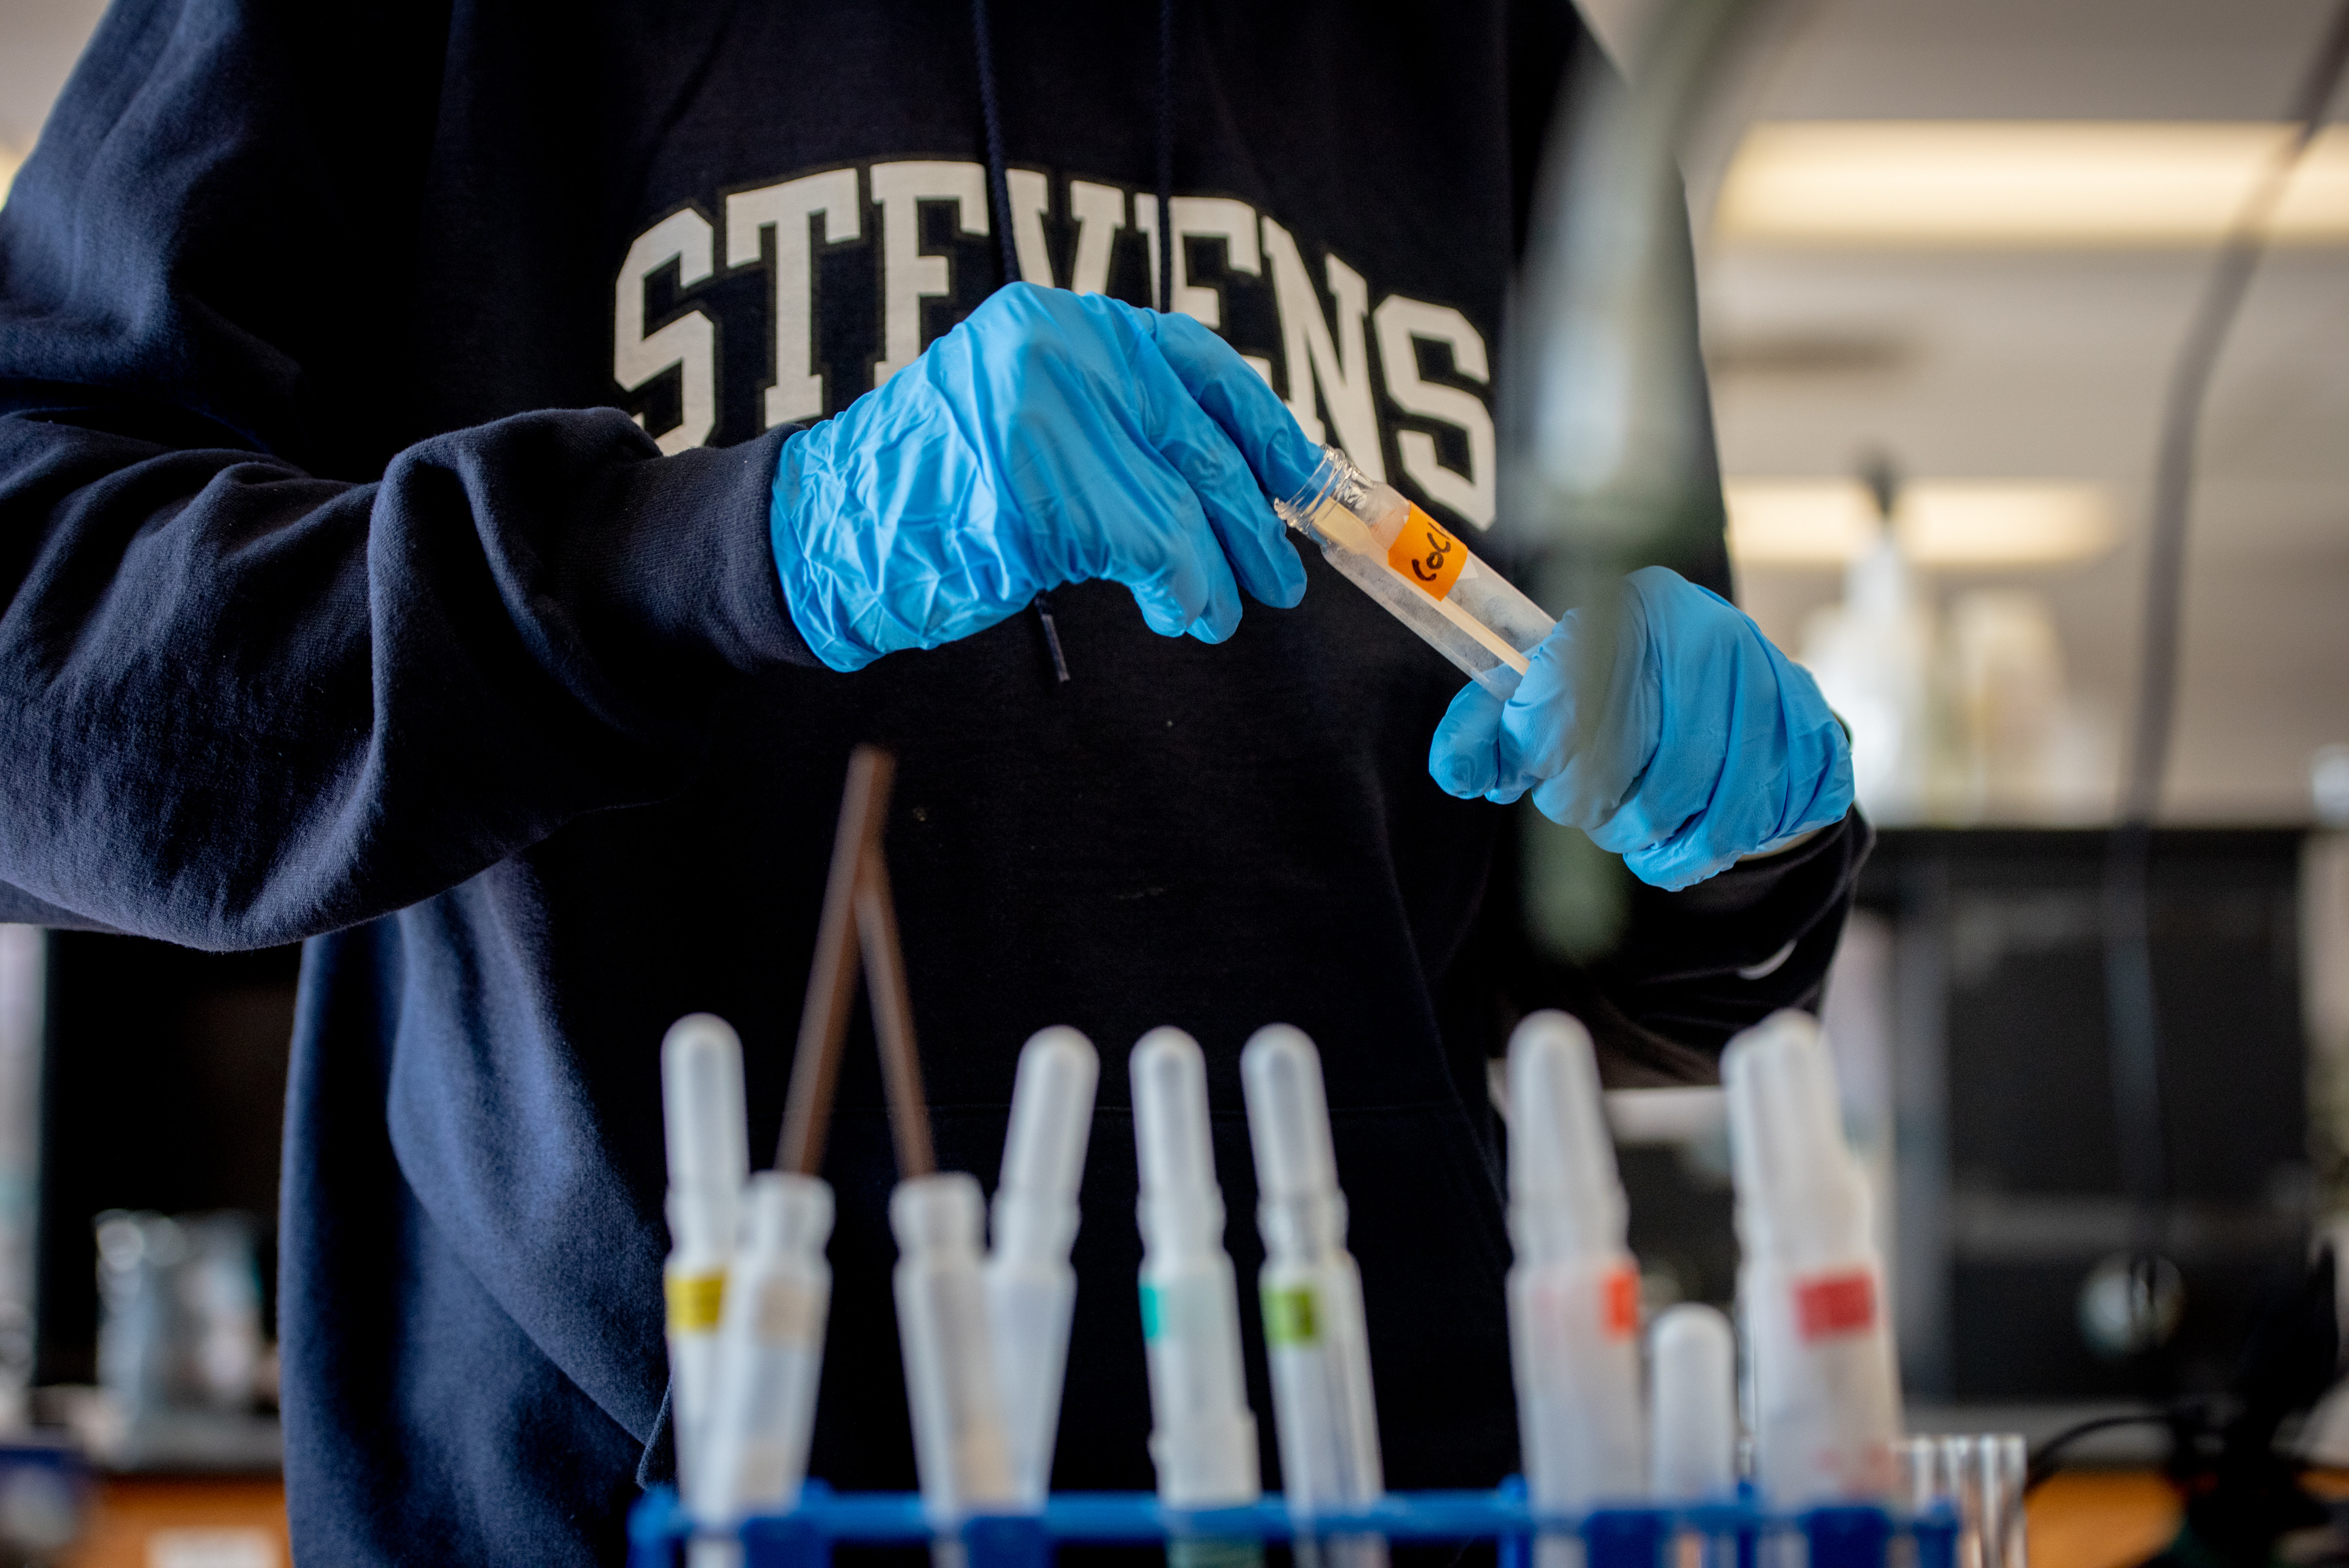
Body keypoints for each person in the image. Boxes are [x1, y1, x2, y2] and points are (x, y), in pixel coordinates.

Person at [0, 3, 1864, 1563]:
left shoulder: (1490, 56)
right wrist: (728, 547)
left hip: (1391, 1495)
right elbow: (37, 687)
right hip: (655, 1505)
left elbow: (1601, 951)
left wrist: (1738, 856)